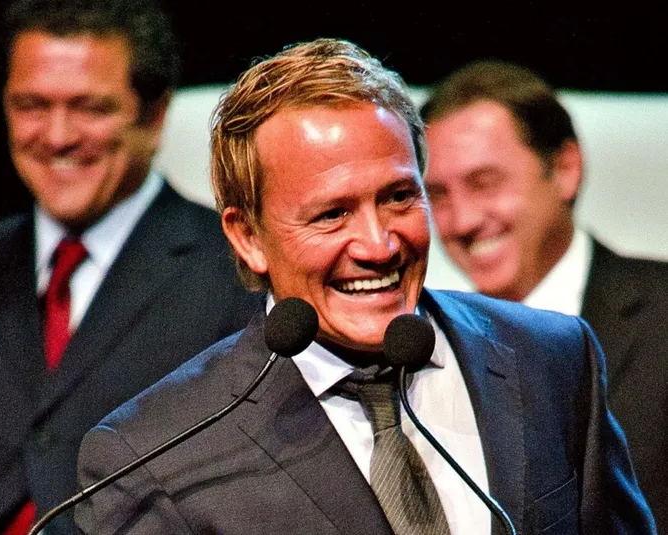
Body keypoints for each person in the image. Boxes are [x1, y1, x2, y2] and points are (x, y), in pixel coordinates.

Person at [75, 39, 655, 534]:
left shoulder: (551, 358)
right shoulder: (153, 457)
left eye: (399, 197)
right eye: (331, 214)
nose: (378, 246)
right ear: (248, 236)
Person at [0, 0, 262, 533]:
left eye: (90, 108)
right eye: (31, 106)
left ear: (155, 116)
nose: (57, 137)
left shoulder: (241, 273)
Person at [420, 59, 668, 532]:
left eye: (485, 183)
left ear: (565, 169)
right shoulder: (429, 354)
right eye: (438, 195)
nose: (462, 220)